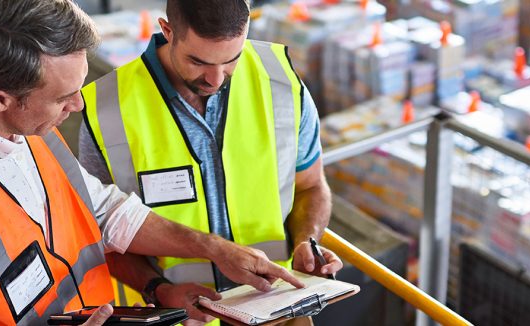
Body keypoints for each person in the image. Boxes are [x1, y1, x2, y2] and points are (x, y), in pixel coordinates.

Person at [0, 0, 302, 324]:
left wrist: (213, 250)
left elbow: (106, 210)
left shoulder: (21, 123)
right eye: (63, 96)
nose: (77, 105)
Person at [78, 0, 343, 322]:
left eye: (232, 59)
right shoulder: (107, 109)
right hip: (180, 316)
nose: (216, 78)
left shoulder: (281, 81)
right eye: (198, 61)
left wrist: (307, 240)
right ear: (167, 30)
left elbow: (311, 185)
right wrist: (158, 289)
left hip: (280, 306)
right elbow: (100, 234)